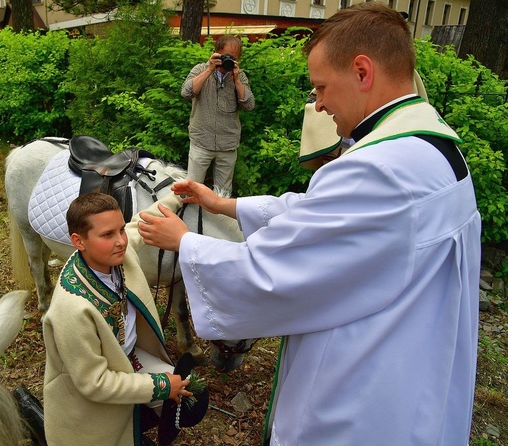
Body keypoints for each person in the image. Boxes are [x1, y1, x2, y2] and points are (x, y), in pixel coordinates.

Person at [138, 3, 481, 445]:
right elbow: (323, 216)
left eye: (321, 87)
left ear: (362, 71)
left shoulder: (378, 170)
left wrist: (186, 243)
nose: (318, 104)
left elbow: (268, 275)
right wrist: (223, 205)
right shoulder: (428, 145)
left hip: (360, 403)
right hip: (418, 377)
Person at [42, 192, 207, 446]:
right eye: (108, 234)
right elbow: (95, 383)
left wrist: (178, 193)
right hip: (91, 394)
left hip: (129, 356)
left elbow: (144, 220)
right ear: (79, 241)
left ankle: (142, 419)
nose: (121, 241)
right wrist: (162, 385)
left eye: (120, 229)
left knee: (194, 397)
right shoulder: (71, 309)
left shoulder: (113, 253)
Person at [181, 35, 255, 196]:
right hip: (201, 141)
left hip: (227, 144)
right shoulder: (200, 69)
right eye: (224, 56)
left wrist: (236, 80)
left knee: (223, 194)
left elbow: (249, 105)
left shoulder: (239, 76)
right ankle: (189, 220)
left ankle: (217, 221)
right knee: (191, 189)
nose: (227, 60)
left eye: (233, 58)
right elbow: (186, 92)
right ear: (216, 53)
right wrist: (209, 69)